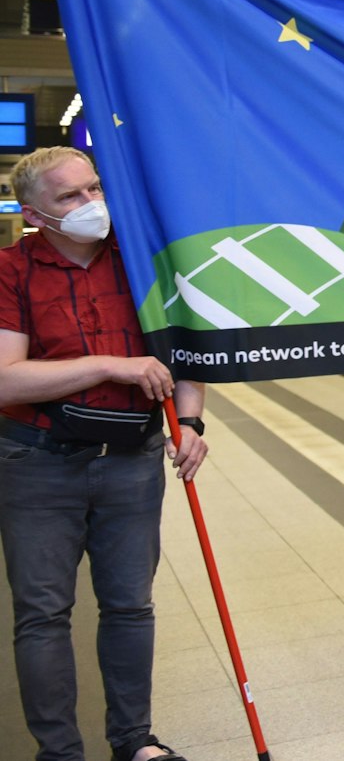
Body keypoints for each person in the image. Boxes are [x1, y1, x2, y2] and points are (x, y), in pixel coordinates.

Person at [0, 146, 208, 761]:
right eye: (70, 197)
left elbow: (187, 350)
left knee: (129, 606)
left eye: (94, 188)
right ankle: (59, 752)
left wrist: (191, 418)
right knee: (43, 615)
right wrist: (112, 365)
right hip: (37, 461)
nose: (91, 204)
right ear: (34, 213)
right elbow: (6, 380)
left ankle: (133, 741)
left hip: (132, 461)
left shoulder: (141, 260)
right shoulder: (11, 271)